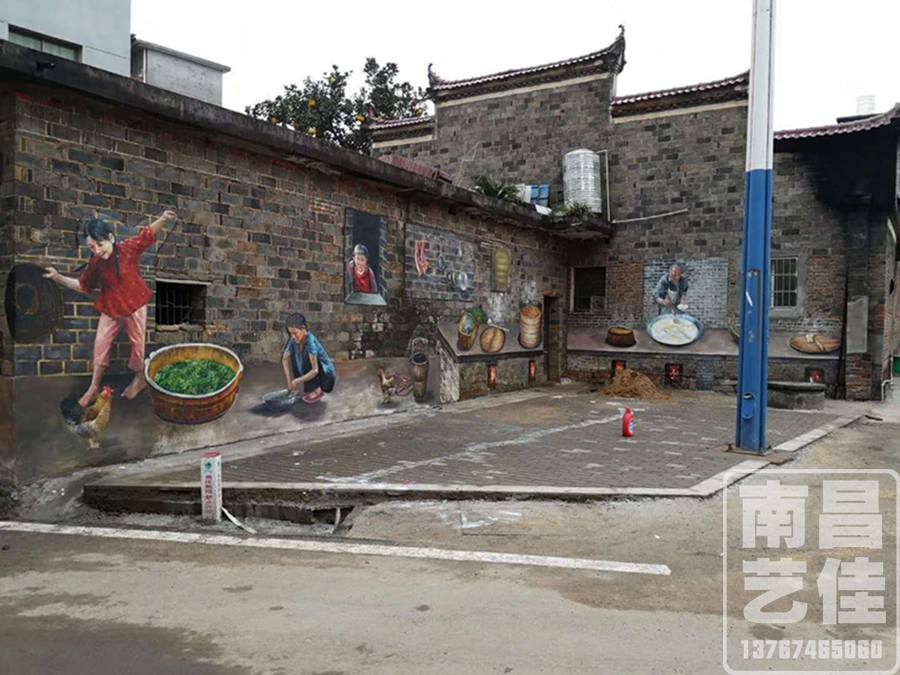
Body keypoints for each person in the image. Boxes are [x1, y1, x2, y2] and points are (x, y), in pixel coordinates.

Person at [44, 210, 177, 408]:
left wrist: (163, 219)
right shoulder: (95, 262)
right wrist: (57, 277)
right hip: (111, 306)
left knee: (137, 343)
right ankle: (93, 387)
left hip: (134, 303)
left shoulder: (127, 249)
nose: (97, 250)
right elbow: (83, 286)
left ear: (111, 238)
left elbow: (146, 234)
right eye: (92, 247)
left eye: (100, 244)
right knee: (101, 344)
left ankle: (140, 378)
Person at [282, 313, 336, 404]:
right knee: (294, 354)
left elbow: (315, 370)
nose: (293, 337)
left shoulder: (310, 342)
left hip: (325, 377)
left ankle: (318, 391)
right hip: (313, 373)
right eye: (290, 334)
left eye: (295, 333)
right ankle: (301, 388)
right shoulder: (294, 340)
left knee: (306, 357)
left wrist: (297, 381)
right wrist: (289, 382)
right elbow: (284, 359)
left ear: (303, 329)